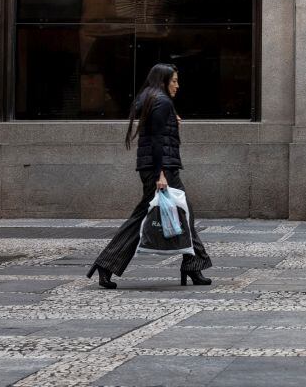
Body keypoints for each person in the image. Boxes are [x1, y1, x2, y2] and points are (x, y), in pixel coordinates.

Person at [87, 64, 213, 289]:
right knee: (184, 213)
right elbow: (156, 141)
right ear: (163, 81)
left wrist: (173, 123)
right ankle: (193, 266)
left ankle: (107, 263)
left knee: (147, 217)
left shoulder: (152, 99)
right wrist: (160, 175)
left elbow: (159, 134)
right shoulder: (162, 102)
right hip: (161, 169)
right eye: (174, 81)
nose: (177, 85)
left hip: (156, 167)